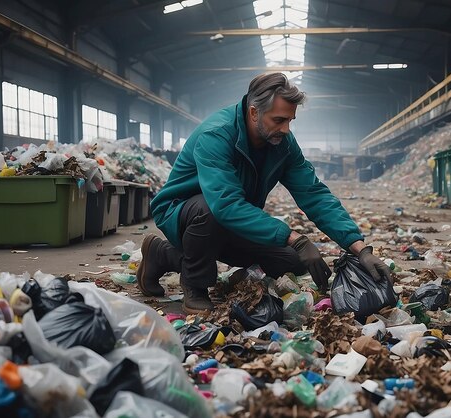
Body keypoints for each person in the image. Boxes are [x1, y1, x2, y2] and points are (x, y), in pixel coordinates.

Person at [138, 72, 390, 314]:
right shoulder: (216, 135)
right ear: (254, 112)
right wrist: (296, 237)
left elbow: (313, 193)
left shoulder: (282, 144)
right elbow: (225, 205)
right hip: (183, 212)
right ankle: (194, 284)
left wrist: (359, 248)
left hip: (232, 219)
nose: (286, 129)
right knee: (210, 211)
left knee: (292, 261)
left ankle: (162, 255)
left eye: (290, 121)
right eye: (278, 120)